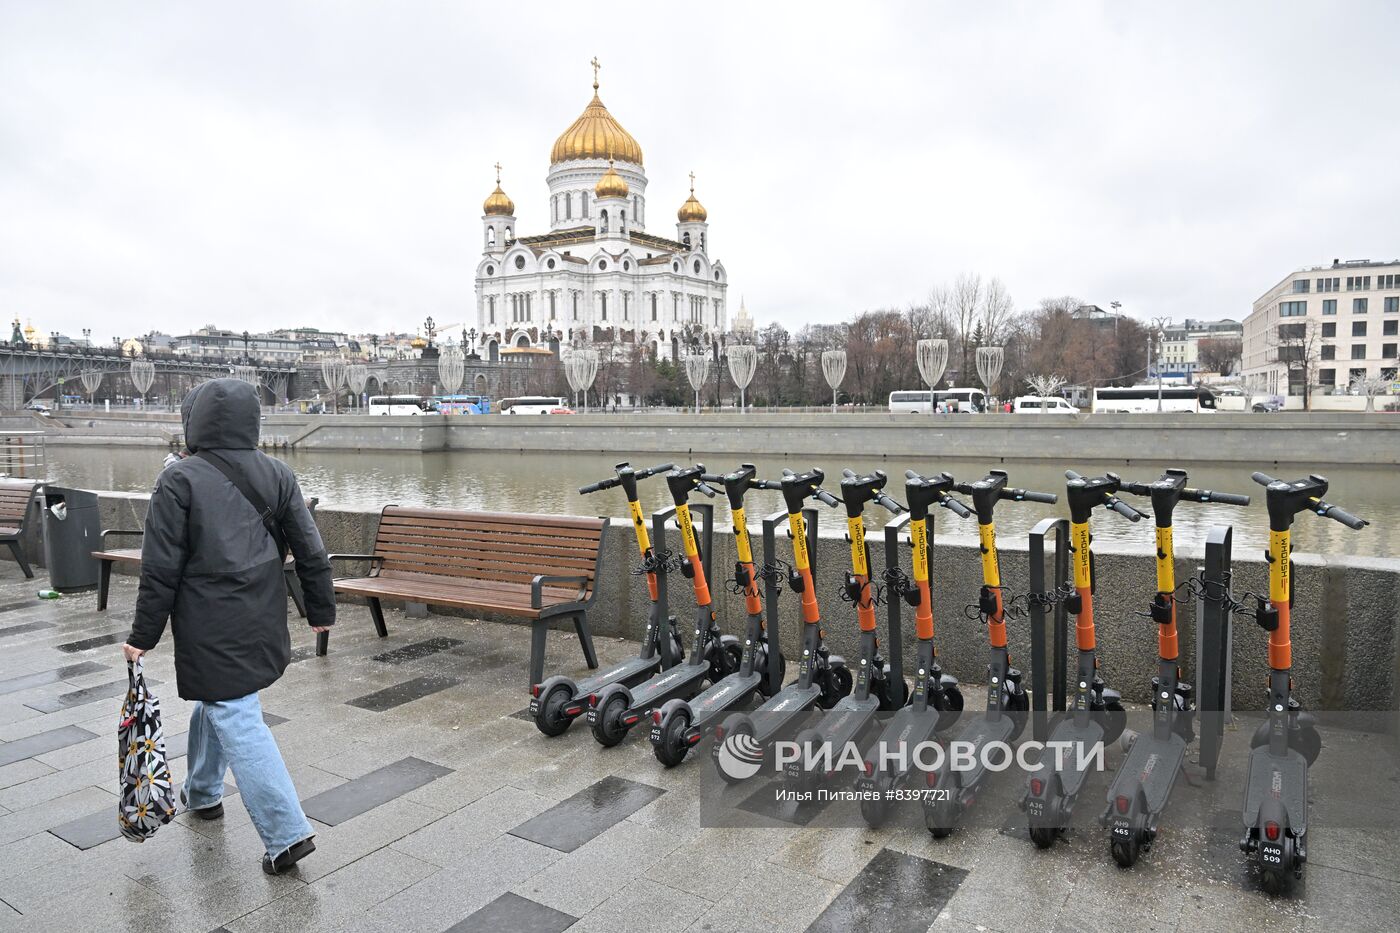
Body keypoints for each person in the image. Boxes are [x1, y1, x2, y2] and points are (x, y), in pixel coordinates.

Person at [122, 379, 335, 875]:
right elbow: (310, 549)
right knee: (222, 697)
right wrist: (320, 611)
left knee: (234, 709)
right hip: (261, 611)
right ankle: (202, 792)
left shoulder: (179, 480)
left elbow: (160, 569)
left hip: (209, 618)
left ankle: (287, 833)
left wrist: (142, 637)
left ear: (191, 421)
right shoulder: (277, 473)